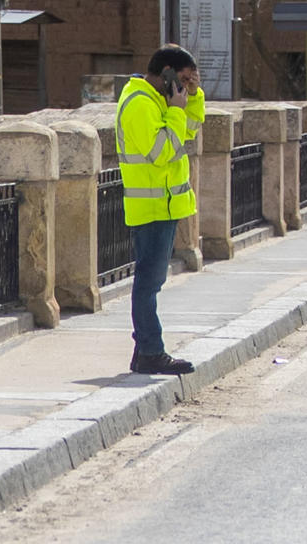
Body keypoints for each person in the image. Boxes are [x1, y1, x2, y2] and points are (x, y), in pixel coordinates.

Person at [115, 45, 204, 375]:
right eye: (181, 79)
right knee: (148, 283)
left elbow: (186, 135)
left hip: (164, 207)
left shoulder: (161, 102)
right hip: (150, 208)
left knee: (153, 281)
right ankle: (151, 351)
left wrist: (191, 98)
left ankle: (145, 352)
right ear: (165, 72)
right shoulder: (139, 104)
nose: (183, 86)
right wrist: (177, 110)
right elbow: (161, 152)